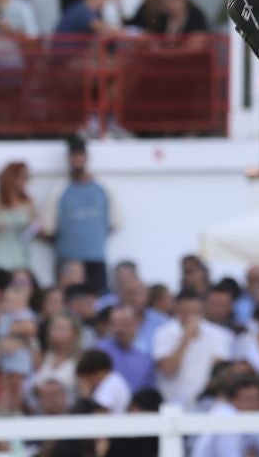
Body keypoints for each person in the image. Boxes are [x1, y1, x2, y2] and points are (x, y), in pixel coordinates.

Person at [47, 137, 122, 292]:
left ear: (86, 157)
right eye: (73, 156)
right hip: (68, 260)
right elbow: (48, 228)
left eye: (80, 155)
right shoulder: (60, 190)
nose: (77, 160)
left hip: (96, 258)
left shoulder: (102, 188)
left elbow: (115, 223)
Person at [151, 290, 233, 410]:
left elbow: (221, 372)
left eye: (195, 311)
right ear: (177, 310)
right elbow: (168, 369)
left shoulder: (219, 334)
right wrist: (186, 338)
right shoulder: (163, 333)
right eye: (186, 311)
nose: (191, 316)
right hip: (172, 404)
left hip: (208, 405)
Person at [96, 305, 155, 395]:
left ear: (136, 324)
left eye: (125, 324)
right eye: (115, 324)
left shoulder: (145, 357)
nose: (120, 329)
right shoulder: (99, 351)